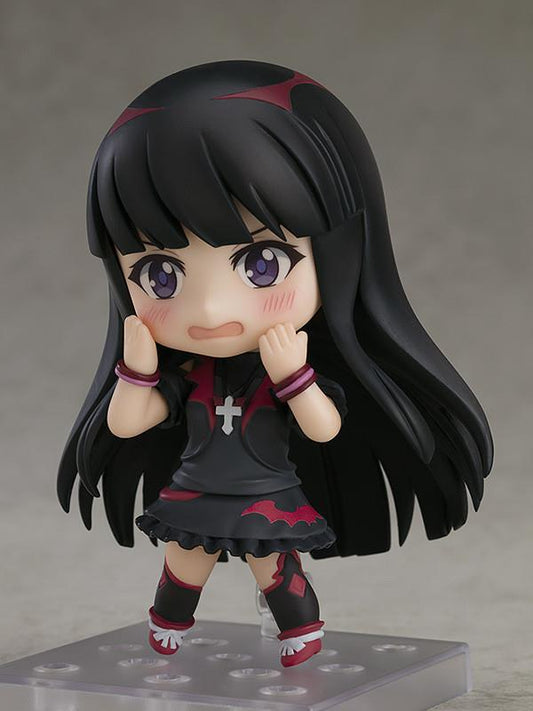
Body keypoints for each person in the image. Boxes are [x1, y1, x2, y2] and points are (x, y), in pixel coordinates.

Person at [57, 60, 493, 667]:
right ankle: (169, 620)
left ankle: (300, 629)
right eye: (161, 274)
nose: (211, 310)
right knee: (183, 562)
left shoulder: (280, 373)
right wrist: (136, 371)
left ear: (339, 249)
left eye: (261, 263)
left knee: (274, 565)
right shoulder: (190, 379)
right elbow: (127, 422)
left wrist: (294, 378)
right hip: (195, 492)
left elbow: (325, 427)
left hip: (266, 495)